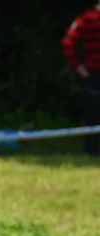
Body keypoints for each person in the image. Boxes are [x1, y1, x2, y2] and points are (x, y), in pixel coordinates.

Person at [62, 2, 100, 156]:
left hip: (92, 72)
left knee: (94, 111)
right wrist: (77, 66)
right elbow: (67, 42)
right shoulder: (85, 18)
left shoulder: (84, 17)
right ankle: (92, 150)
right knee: (94, 112)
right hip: (94, 72)